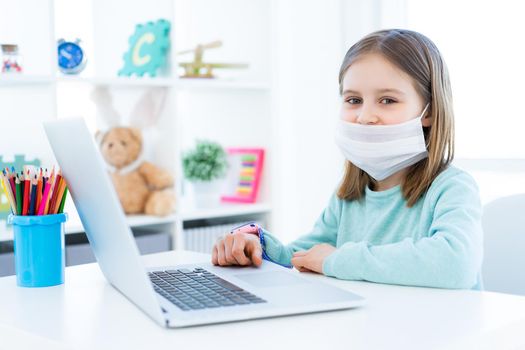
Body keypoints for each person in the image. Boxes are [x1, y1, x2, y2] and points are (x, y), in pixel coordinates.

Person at [211, 29, 483, 289]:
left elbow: (456, 264)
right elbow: (307, 255)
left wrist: (337, 260)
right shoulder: (349, 195)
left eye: (387, 100)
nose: (365, 116)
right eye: (353, 100)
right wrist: (256, 247)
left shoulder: (452, 187)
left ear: (429, 111)